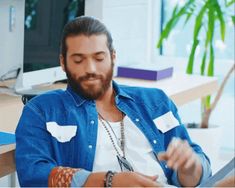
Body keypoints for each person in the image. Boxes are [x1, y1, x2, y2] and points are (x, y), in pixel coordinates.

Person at [15, 16, 212, 187]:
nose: (90, 68)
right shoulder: (41, 111)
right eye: (78, 60)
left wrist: (190, 167)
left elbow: (197, 175)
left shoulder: (156, 102)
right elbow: (33, 175)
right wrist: (108, 182)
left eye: (99, 58)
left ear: (113, 57)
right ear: (63, 62)